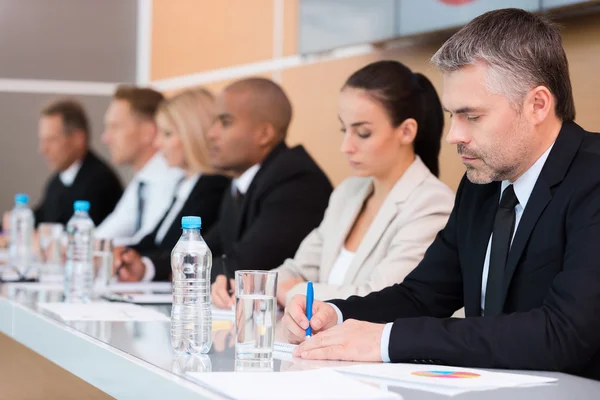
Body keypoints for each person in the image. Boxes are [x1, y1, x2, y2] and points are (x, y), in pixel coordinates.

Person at [283, 8, 600, 380]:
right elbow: (423, 295)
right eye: (452, 115)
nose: (454, 136)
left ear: (538, 105)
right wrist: (335, 314)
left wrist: (387, 340)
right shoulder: (481, 185)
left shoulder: (592, 178)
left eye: (472, 116)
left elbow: (563, 334)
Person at [268, 61, 454, 308]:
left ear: (406, 131)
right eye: (344, 130)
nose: (346, 146)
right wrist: (258, 286)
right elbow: (298, 269)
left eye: (363, 133)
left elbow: (381, 297)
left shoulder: (431, 202)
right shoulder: (347, 192)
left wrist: (296, 293)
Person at [208, 78, 332, 307]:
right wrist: (155, 266)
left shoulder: (297, 181)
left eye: (225, 123)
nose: (211, 134)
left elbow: (248, 270)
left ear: (264, 134)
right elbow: (206, 249)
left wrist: (185, 269)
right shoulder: (242, 182)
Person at [113, 88, 229, 282]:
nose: (157, 144)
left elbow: (185, 253)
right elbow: (156, 239)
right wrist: (126, 253)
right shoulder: (185, 184)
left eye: (167, 134)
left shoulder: (214, 188)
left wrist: (144, 264)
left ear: (192, 135)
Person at [97, 86, 184, 245]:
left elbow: (151, 245)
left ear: (148, 132)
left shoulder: (172, 178)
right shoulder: (142, 181)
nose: (106, 138)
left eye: (115, 127)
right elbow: (108, 232)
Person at [34, 99, 122, 226]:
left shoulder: (100, 182)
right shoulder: (56, 182)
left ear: (78, 138)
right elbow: (41, 215)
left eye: (52, 140)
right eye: (43, 140)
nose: (43, 149)